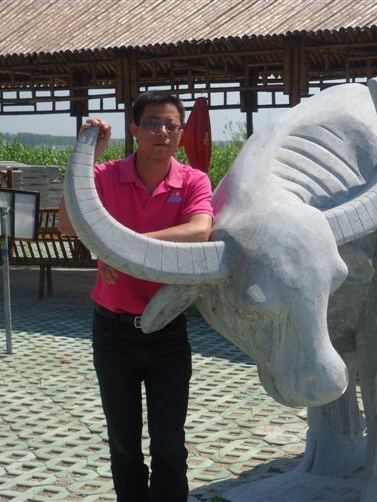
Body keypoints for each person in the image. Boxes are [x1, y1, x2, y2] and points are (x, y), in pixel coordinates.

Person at [58, 91, 214, 502]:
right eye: (151, 124)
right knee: (124, 445)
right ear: (134, 130)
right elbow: (66, 224)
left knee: (169, 446)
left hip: (167, 331)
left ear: (180, 133)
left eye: (170, 125)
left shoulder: (193, 180)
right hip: (113, 332)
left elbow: (200, 230)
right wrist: (86, 159)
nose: (161, 132)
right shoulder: (106, 176)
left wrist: (123, 249)